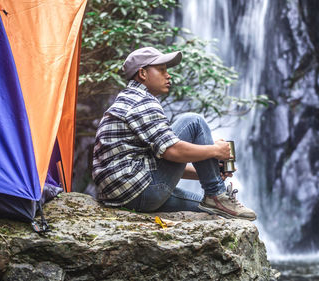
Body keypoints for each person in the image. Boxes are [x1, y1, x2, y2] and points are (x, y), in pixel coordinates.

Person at [92, 46, 256, 221]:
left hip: (124, 196)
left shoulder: (128, 99)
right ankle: (216, 193)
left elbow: (162, 163)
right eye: (162, 70)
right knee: (194, 122)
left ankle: (216, 199)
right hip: (140, 191)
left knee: (212, 211)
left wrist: (209, 172)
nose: (168, 75)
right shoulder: (142, 101)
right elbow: (173, 152)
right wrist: (216, 151)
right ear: (142, 74)